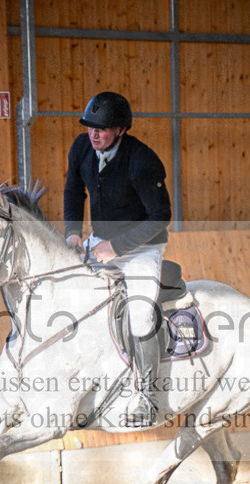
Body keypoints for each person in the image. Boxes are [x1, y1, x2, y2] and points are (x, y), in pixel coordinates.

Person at [63, 91, 172, 428]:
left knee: (139, 316)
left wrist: (117, 247)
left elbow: (160, 217)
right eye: (90, 128)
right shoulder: (82, 148)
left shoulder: (142, 160)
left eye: (103, 129)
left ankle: (148, 397)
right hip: (98, 242)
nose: (94, 135)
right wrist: (72, 232)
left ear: (122, 130)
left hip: (141, 247)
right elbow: (72, 190)